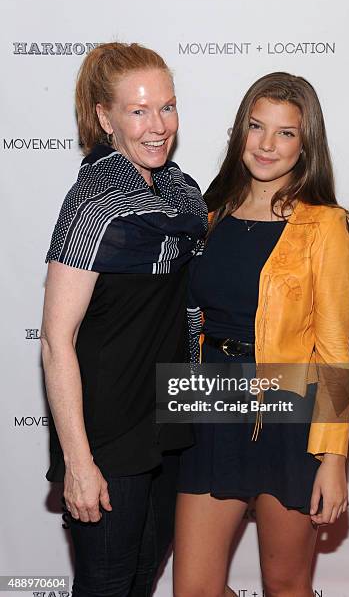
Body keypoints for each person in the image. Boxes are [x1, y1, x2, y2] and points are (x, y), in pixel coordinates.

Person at [174, 72, 349, 597]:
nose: (267, 144)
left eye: (285, 133)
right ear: (241, 131)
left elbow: (336, 352)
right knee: (194, 589)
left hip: (290, 412)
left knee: (284, 584)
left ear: (306, 145)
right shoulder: (207, 215)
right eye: (257, 127)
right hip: (209, 405)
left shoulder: (324, 226)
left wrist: (334, 460)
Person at [40, 42, 207, 597]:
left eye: (167, 106)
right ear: (104, 118)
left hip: (167, 423)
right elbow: (55, 341)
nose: (157, 126)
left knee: (140, 583)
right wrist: (78, 462)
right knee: (106, 588)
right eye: (138, 111)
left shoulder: (182, 193)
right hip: (107, 434)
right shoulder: (96, 205)